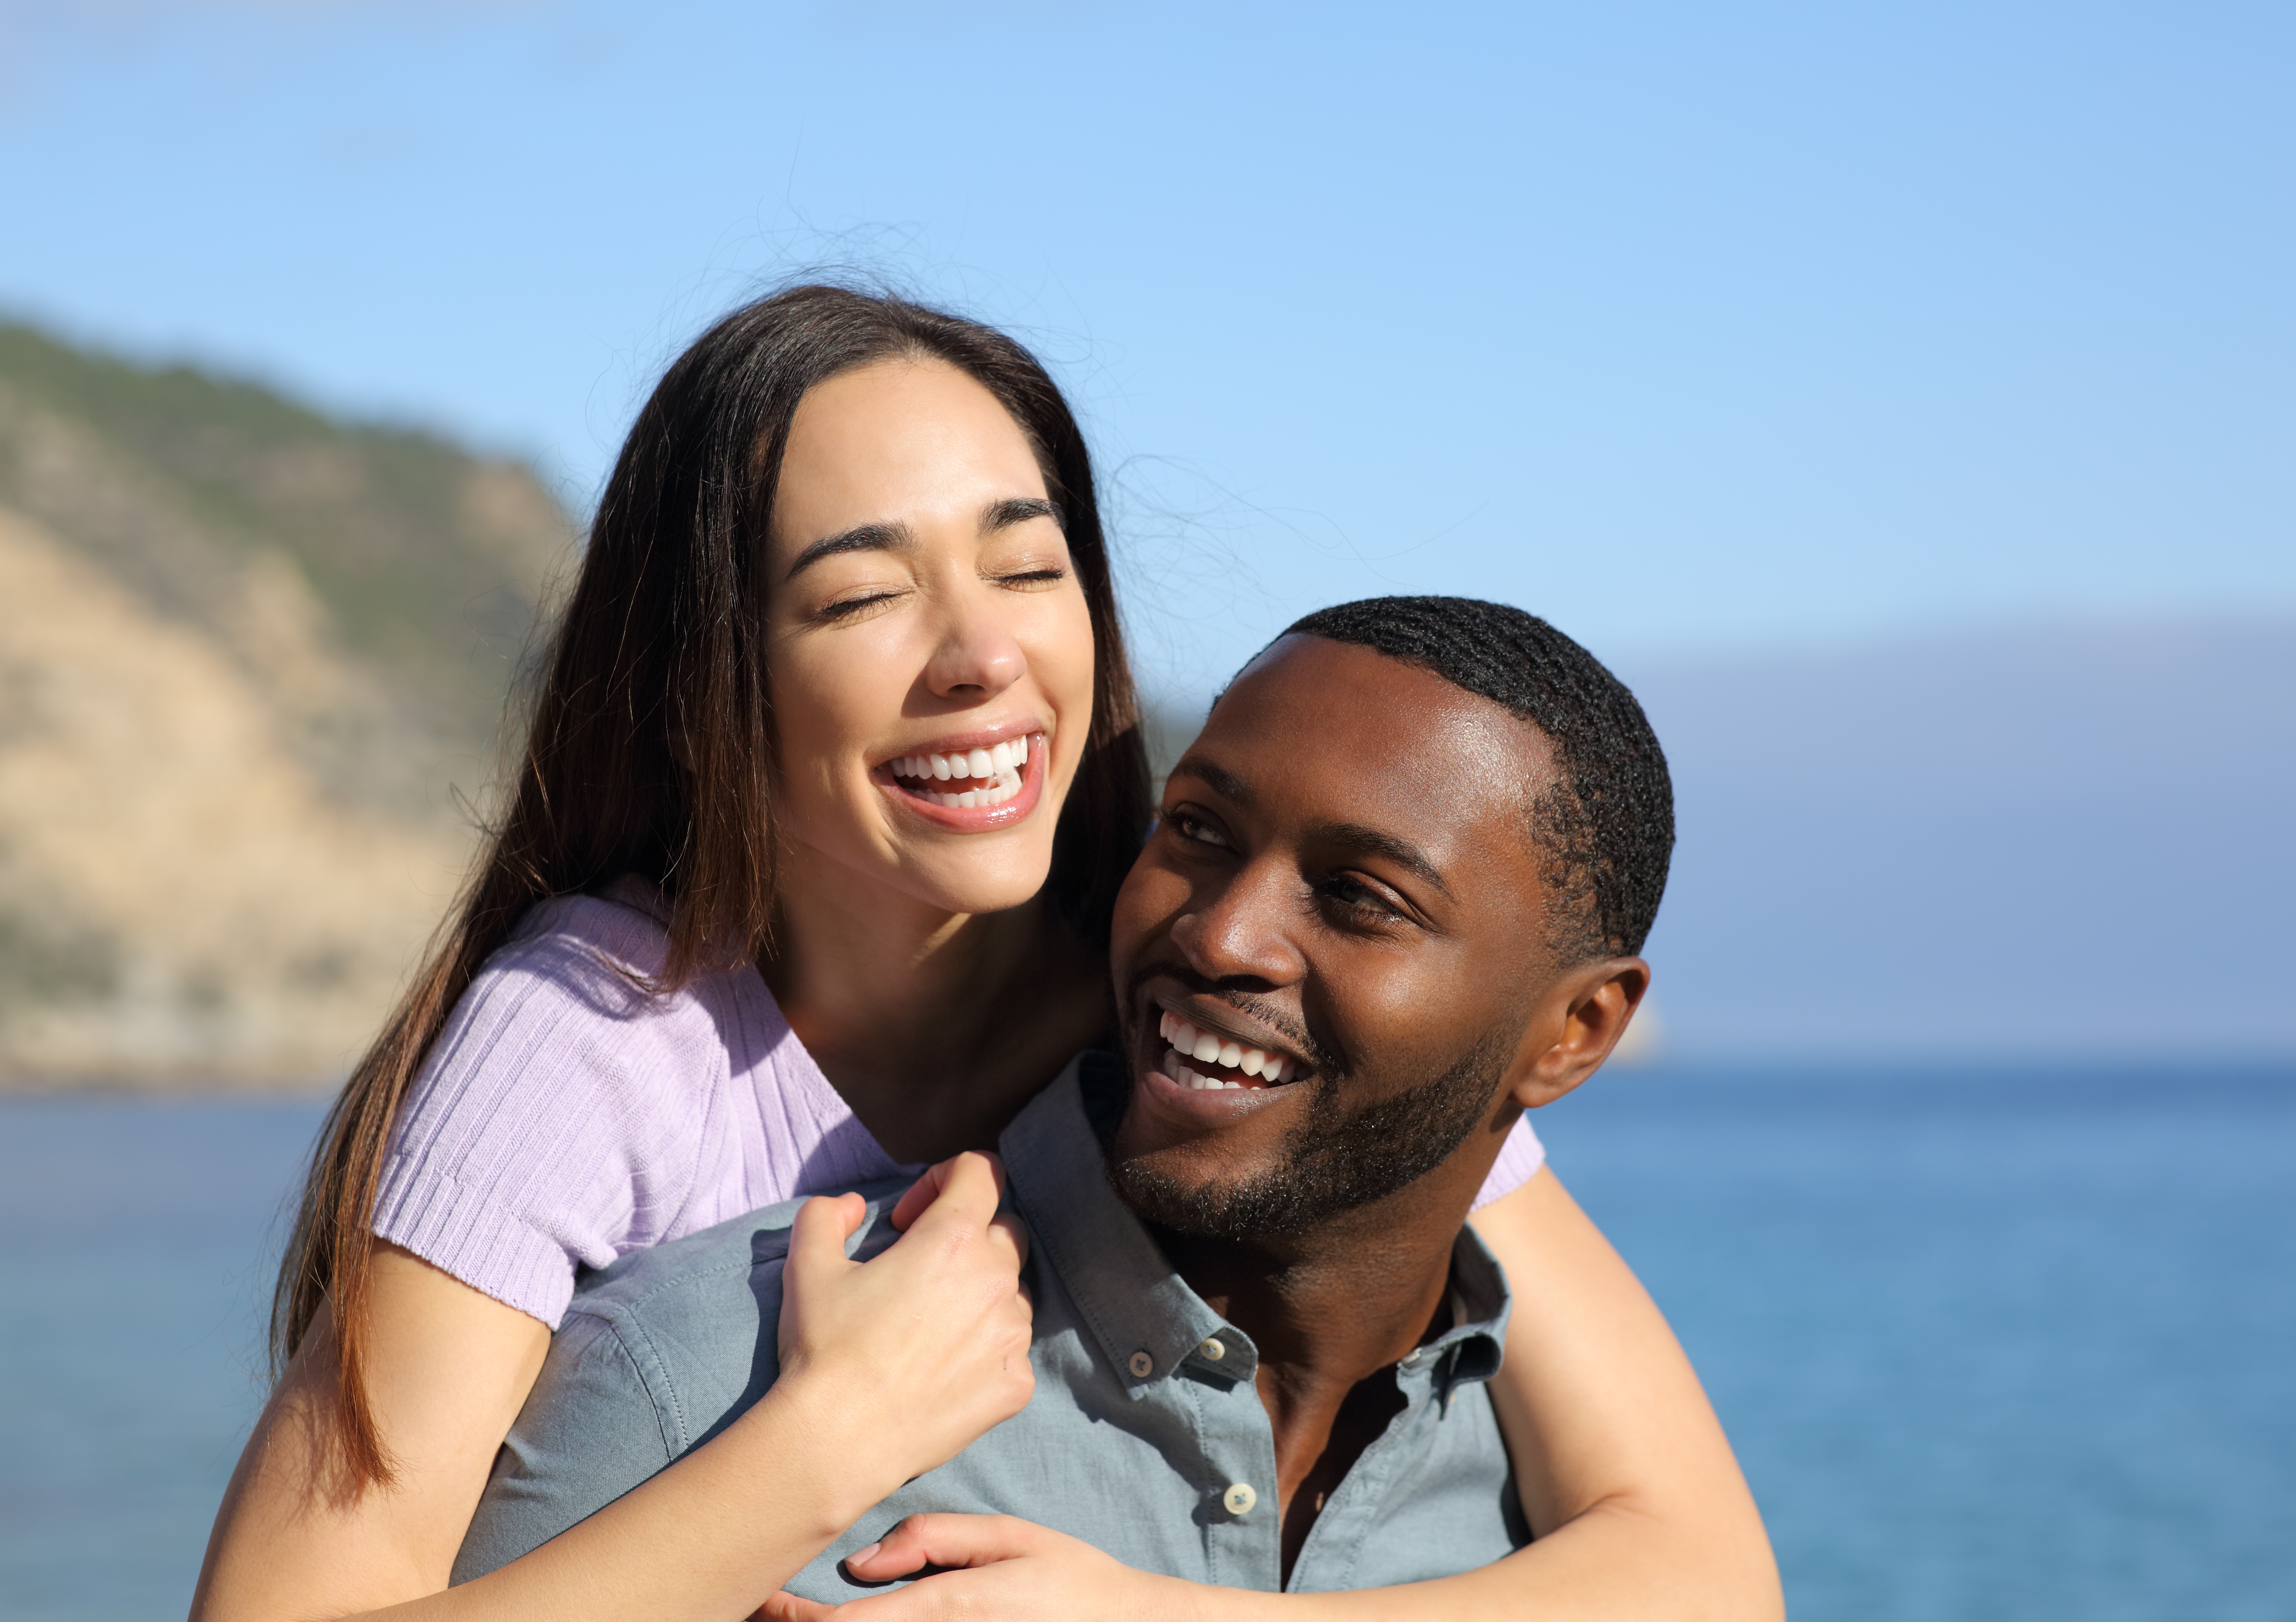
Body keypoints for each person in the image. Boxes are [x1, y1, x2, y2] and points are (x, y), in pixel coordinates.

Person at [189, 288, 1772, 1621]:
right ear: (714, 684)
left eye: (1029, 566)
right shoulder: (604, 1029)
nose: (982, 657)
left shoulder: (1199, 989)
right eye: (863, 594)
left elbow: (1696, 1564)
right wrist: (831, 1441)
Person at [454, 598, 1777, 1620]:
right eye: (1196, 830)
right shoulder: (718, 1375)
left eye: (1361, 899)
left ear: (1573, 1033)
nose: (1223, 935)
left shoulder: (1554, 1524)